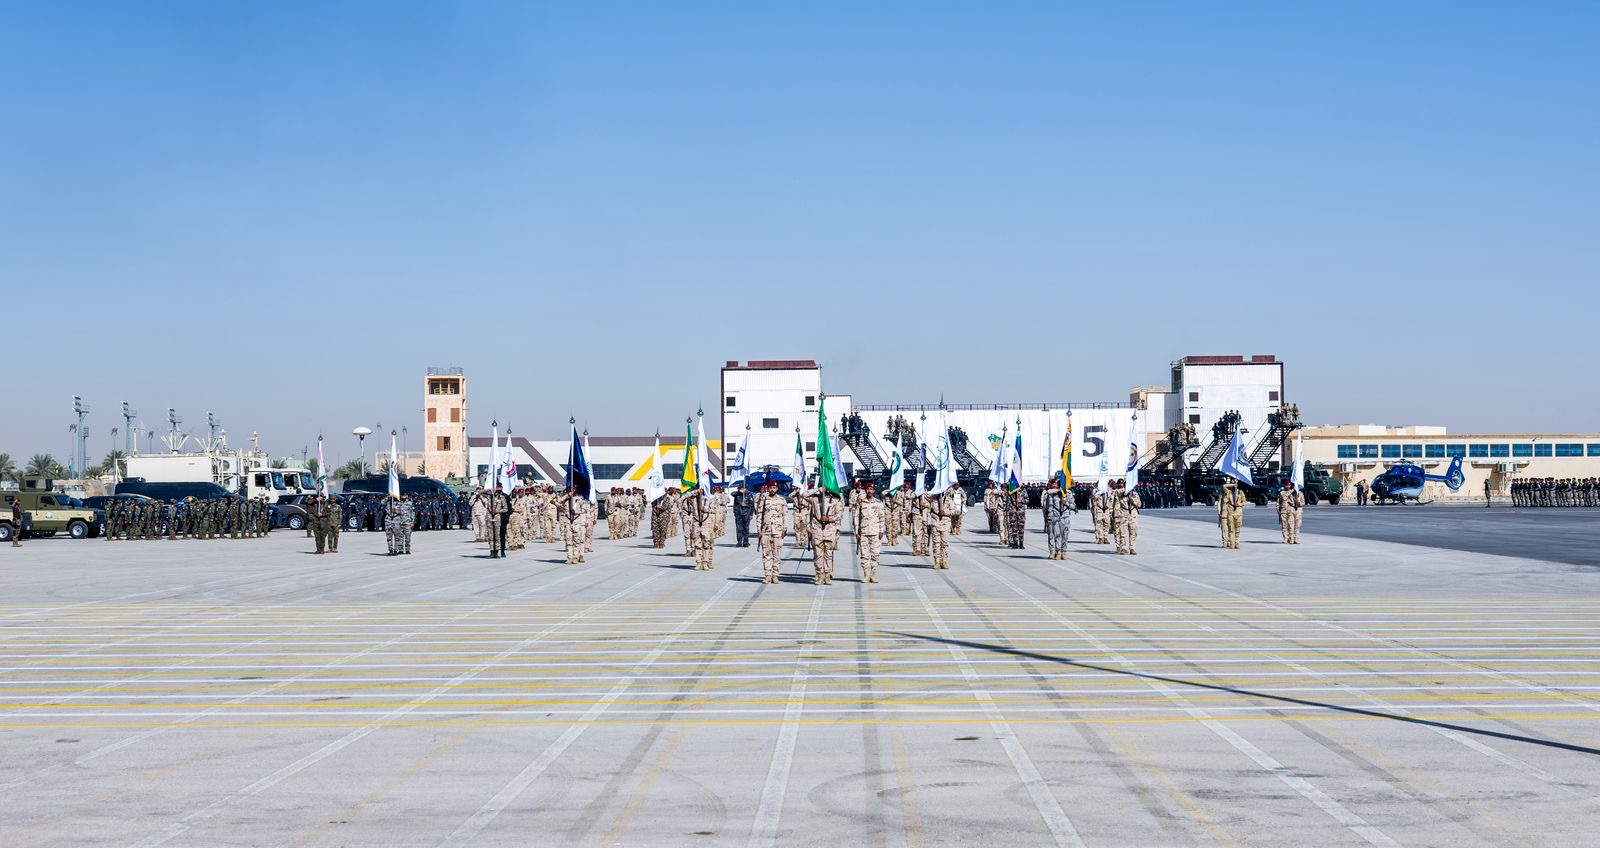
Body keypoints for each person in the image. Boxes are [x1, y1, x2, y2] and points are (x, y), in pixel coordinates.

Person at [756, 482, 787, 584]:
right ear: (768, 489)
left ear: (777, 488)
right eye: (770, 488)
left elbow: (785, 515)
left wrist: (784, 529)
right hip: (766, 530)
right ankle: (767, 575)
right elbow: (759, 514)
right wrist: (759, 529)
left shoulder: (782, 500)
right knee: (766, 553)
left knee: (777, 554)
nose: (772, 489)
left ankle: (775, 575)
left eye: (774, 487)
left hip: (777, 530)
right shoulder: (764, 499)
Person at [809, 488, 842, 585]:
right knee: (818, 555)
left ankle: (827, 576)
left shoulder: (835, 501)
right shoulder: (815, 499)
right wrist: (817, 489)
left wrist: (829, 518)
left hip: (829, 531)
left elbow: (839, 515)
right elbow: (804, 495)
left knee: (828, 555)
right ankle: (820, 575)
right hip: (817, 531)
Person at [856, 483, 885, 583]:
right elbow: (857, 517)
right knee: (864, 555)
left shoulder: (878, 503)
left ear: (873, 491)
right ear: (865, 490)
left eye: (871, 489)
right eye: (868, 489)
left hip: (875, 532)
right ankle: (866, 574)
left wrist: (881, 530)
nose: (869, 491)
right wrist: (856, 531)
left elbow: (882, 517)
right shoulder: (861, 503)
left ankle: (873, 574)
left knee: (875, 554)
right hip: (864, 532)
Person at [1042, 483, 1074, 560]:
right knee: (1057, 535)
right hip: (1055, 517)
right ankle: (1057, 552)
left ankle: (1064, 552)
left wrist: (1066, 503)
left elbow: (1073, 506)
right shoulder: (1053, 494)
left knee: (1065, 536)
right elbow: (1047, 505)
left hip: (1065, 518)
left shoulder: (1069, 494)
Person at [1112, 479, 1141, 555]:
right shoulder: (1120, 493)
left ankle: (1132, 548)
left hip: (1133, 515)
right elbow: (1115, 493)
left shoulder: (1134, 494)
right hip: (1123, 514)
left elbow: (1139, 505)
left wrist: (1132, 500)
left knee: (1133, 532)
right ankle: (1123, 548)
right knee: (1122, 532)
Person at [688, 488, 715, 570]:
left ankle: (705, 562)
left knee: (706, 543)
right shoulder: (693, 499)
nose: (701, 490)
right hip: (696, 524)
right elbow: (684, 497)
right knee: (697, 544)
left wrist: (705, 509)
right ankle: (698, 562)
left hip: (705, 524)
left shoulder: (709, 499)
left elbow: (714, 510)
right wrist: (695, 491)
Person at [1218, 480, 1246, 549]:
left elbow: (1244, 502)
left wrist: (1239, 504)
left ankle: (1236, 543)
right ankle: (1230, 543)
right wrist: (1232, 485)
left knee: (1237, 529)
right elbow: (1224, 486)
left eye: (1235, 483)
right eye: (1233, 483)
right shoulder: (1228, 492)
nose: (1234, 484)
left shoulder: (1240, 492)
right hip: (1229, 513)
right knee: (1229, 529)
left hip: (1237, 513)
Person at [486, 484, 511, 558]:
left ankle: (497, 551)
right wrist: (490, 489)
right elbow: (479, 492)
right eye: (497, 488)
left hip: (497, 518)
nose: (498, 489)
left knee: (497, 536)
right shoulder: (489, 496)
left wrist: (497, 511)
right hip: (490, 518)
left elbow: (506, 509)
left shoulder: (502, 497)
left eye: (499, 488)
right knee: (490, 536)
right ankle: (491, 551)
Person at [732, 483, 754, 547]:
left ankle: (745, 542)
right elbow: (732, 493)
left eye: (742, 488)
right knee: (739, 528)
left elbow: (752, 505)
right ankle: (739, 542)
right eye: (739, 488)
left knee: (746, 528)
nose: (741, 489)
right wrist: (739, 492)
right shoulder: (737, 494)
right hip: (738, 514)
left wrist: (751, 513)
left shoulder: (749, 494)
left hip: (746, 513)